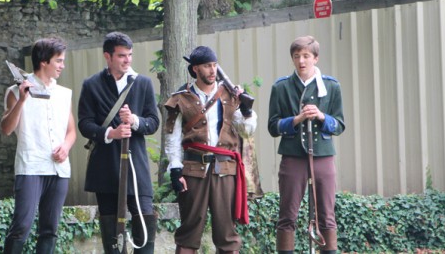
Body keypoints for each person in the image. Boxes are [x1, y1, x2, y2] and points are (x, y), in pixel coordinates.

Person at [164, 46, 257, 254]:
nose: (212, 70)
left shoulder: (230, 95)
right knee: (189, 232)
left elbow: (247, 130)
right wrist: (176, 169)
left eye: (214, 65)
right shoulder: (181, 98)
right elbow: (173, 136)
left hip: (225, 169)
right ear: (195, 68)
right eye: (207, 66)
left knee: (227, 234)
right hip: (193, 169)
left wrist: (246, 109)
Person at [78, 31, 159, 254]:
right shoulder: (91, 84)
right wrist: (110, 133)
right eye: (122, 55)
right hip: (104, 167)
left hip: (136, 167)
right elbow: (84, 124)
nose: (127, 60)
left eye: (130, 55)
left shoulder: (142, 83)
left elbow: (153, 122)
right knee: (111, 229)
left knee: (145, 219)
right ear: (108, 56)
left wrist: (134, 121)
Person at [268, 36, 345, 254]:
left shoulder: (331, 86)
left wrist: (321, 116)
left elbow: (339, 125)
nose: (301, 61)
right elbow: (273, 127)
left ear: (316, 58)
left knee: (327, 214)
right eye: (296, 56)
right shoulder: (281, 87)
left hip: (323, 156)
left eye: (306, 56)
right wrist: (296, 119)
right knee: (287, 214)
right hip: (292, 156)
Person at [0, 36, 76, 254]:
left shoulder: (64, 93)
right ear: (44, 61)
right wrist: (23, 100)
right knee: (21, 226)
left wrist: (66, 147)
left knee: (50, 229)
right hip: (31, 167)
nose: (62, 65)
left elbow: (71, 131)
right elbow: (6, 128)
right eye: (59, 61)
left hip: (59, 169)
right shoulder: (16, 91)